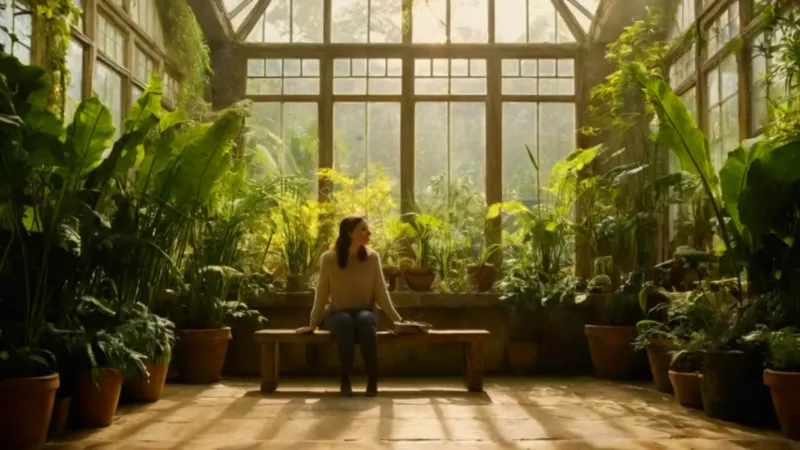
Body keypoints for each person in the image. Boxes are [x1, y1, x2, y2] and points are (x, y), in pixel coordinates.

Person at [295, 216, 403, 396]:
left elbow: (382, 295)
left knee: (364, 320)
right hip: (337, 313)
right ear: (350, 233)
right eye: (363, 229)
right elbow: (321, 294)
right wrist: (313, 323)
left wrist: (399, 321)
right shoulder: (329, 259)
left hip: (366, 312)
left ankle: (373, 379)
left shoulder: (372, 258)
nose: (369, 233)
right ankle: (345, 379)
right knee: (345, 321)